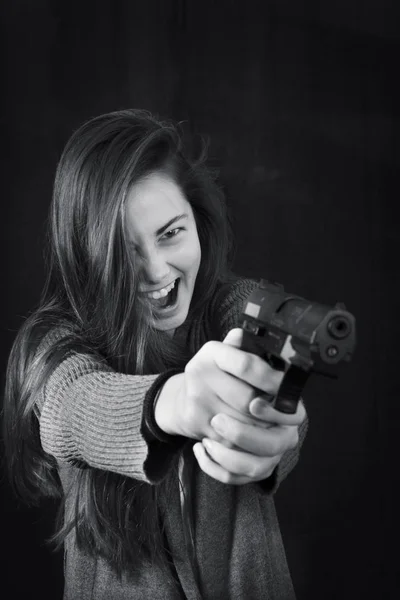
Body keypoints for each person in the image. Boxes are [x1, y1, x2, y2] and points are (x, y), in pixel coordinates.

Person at [3, 108, 308, 600]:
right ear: (87, 256)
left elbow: (265, 327)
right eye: (124, 252)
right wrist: (177, 402)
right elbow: (69, 409)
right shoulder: (55, 343)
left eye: (171, 233)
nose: (155, 270)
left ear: (198, 222)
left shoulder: (230, 305)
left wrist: (274, 420)